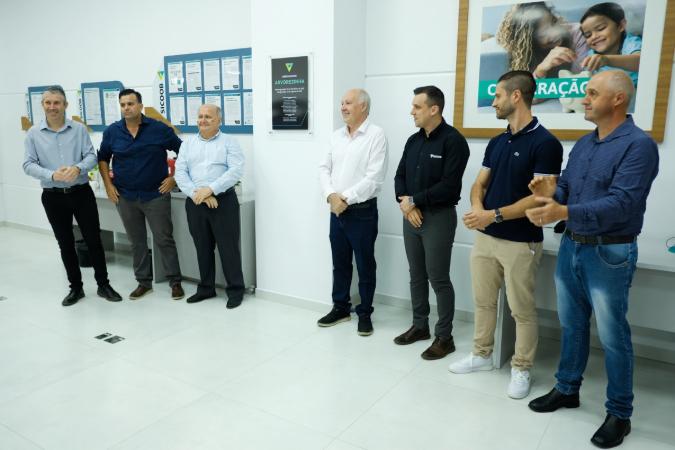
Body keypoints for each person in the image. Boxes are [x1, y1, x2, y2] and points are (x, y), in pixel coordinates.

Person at [525, 70, 658, 448]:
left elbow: (622, 204)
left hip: (609, 252)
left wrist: (563, 211)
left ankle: (620, 413)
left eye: (592, 93)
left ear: (618, 99)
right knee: (572, 325)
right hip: (572, 245)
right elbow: (567, 187)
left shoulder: (639, 146)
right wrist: (551, 193)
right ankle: (567, 389)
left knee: (613, 336)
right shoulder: (584, 143)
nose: (583, 99)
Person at [448, 71, 563, 399]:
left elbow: (540, 198)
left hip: (521, 240)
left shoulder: (546, 144)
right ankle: (482, 355)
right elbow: (479, 183)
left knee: (521, 310)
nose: (493, 102)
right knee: (483, 302)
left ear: (516, 96)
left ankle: (521, 368)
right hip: (486, 237)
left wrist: (493, 214)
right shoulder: (497, 141)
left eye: (497, 95)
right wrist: (477, 209)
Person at [23, 86, 122, 306]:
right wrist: (51, 174)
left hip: (81, 193)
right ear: (42, 105)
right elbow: (28, 165)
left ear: (65, 105)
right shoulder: (33, 133)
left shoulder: (78, 129)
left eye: (57, 103)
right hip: (53, 197)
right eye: (48, 103)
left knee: (94, 240)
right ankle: (76, 288)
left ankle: (103, 285)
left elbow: (91, 157)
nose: (52, 107)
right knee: (65, 244)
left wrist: (78, 168)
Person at [393, 86, 470, 359]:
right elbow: (400, 176)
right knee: (416, 274)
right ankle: (420, 326)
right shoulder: (413, 141)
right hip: (411, 215)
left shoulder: (453, 141)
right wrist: (406, 204)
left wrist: (414, 200)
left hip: (438, 216)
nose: (411, 112)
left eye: (417, 107)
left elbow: (449, 185)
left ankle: (444, 337)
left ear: (434, 109)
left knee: (438, 277)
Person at [98, 89, 185, 301]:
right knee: (136, 241)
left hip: (156, 194)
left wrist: (174, 178)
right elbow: (103, 158)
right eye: (122, 105)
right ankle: (143, 283)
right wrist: (108, 185)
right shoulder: (112, 132)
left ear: (140, 106)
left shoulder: (158, 129)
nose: (126, 108)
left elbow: (183, 152)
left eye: (130, 104)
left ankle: (175, 282)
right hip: (125, 196)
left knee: (164, 239)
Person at [317, 89, 389, 336]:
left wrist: (343, 198)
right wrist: (331, 195)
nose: (343, 107)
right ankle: (341, 308)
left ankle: (365, 312)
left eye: (348, 103)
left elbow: (374, 178)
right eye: (342, 103)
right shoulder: (336, 136)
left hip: (362, 212)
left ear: (363, 106)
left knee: (365, 265)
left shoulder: (376, 135)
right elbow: (323, 169)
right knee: (340, 264)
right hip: (336, 210)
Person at [173, 103, 246, 307]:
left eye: (208, 116)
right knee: (202, 248)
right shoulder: (187, 144)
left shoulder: (229, 142)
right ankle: (206, 288)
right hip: (196, 201)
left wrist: (211, 189)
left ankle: (235, 290)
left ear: (219, 121)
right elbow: (180, 173)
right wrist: (201, 195)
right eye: (200, 116)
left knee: (228, 248)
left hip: (223, 202)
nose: (202, 120)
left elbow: (235, 170)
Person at [496, 2, 590, 83]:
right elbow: (525, 93)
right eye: (544, 33)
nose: (556, 33)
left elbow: (579, 83)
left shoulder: (578, 34)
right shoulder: (524, 57)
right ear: (531, 43)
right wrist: (540, 70)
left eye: (554, 22)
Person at [580, 2, 641, 86]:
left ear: (621, 26)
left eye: (601, 29)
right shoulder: (592, 55)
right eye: (588, 35)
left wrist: (607, 60)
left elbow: (641, 62)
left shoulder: (631, 42)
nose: (594, 37)